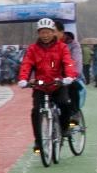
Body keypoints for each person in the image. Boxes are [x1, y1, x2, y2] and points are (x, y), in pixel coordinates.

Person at [17, 18, 78, 152]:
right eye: (42, 32)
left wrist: (69, 77)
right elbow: (26, 64)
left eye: (48, 32)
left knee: (65, 103)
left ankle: (64, 128)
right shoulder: (32, 49)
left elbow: (68, 62)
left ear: (53, 33)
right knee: (35, 112)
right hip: (40, 85)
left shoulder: (62, 47)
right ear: (38, 33)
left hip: (57, 83)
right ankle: (38, 142)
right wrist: (23, 79)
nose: (45, 35)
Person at [60, 28, 86, 117]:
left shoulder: (74, 45)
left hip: (73, 76)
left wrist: (72, 74)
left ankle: (74, 123)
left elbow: (75, 61)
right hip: (58, 77)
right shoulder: (53, 45)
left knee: (72, 99)